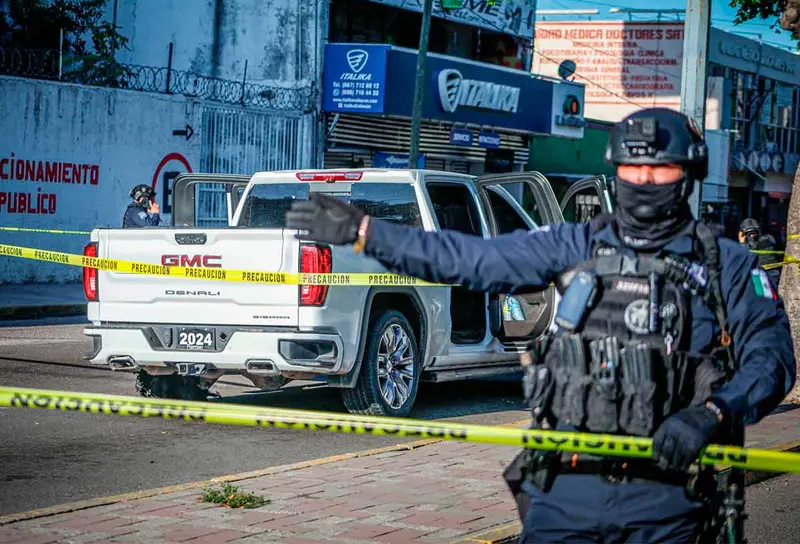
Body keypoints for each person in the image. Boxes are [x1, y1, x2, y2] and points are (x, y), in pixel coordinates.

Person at [286, 108, 795, 543]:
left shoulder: (729, 265)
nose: (643, 181)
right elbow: (466, 258)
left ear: (688, 173)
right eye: (631, 168)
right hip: (564, 488)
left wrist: (711, 413)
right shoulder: (571, 245)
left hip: (669, 498)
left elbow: (771, 361)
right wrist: (365, 232)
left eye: (660, 170)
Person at [739, 218, 782, 285]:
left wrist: (742, 243)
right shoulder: (769, 238)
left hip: (764, 274)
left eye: (753, 232)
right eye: (749, 233)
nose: (751, 235)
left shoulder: (765, 240)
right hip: (770, 273)